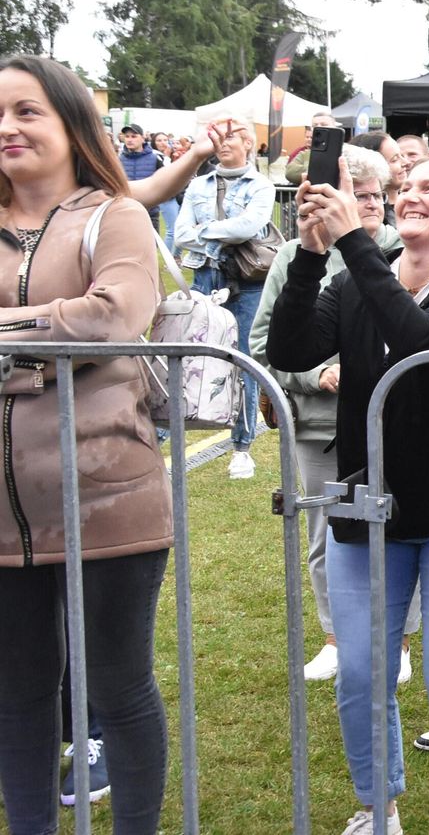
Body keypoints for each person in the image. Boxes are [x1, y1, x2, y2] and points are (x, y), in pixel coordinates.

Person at [267, 155, 429, 835]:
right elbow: (291, 347)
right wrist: (311, 254)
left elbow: (419, 340)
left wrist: (352, 241)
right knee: (361, 673)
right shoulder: (353, 281)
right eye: (406, 186)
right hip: (367, 504)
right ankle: (379, 807)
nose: (409, 195)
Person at [0, 54, 171, 834]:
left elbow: (113, 317)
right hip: (5, 513)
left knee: (117, 686)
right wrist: (47, 340)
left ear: (71, 123)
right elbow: (79, 326)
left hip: (111, 497)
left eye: (26, 110)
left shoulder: (116, 216)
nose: (7, 127)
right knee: (17, 692)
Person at [248, 148, 419, 685]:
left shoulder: (407, 248)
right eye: (356, 195)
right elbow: (264, 342)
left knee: (403, 528)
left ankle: (401, 639)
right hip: (321, 424)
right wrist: (316, 374)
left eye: (375, 195)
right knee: (328, 535)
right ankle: (336, 637)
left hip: (395, 420)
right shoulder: (295, 256)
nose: (369, 205)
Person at [173, 116, 275, 481]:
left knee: (244, 362)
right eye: (219, 137)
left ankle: (242, 448)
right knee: (189, 357)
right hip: (204, 276)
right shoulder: (198, 185)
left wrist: (203, 232)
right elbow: (180, 234)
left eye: (232, 136)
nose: (224, 142)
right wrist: (218, 235)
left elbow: (249, 227)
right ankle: (175, 429)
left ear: (248, 143)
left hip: (247, 282)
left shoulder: (261, 185)